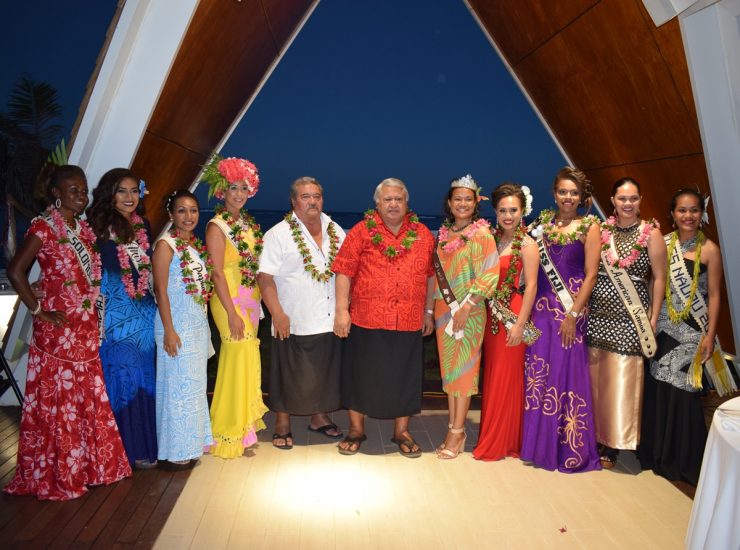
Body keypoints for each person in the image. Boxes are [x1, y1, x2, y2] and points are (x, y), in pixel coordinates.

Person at [5, 165, 131, 500]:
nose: (81, 195)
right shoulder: (44, 227)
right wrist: (38, 309)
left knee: (85, 397)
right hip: (58, 330)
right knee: (61, 402)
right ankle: (60, 472)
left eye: (84, 189)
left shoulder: (82, 228)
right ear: (56, 192)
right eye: (73, 189)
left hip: (85, 325)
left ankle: (91, 466)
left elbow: (75, 275)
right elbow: (16, 270)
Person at [332, 178, 435, 457]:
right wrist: (342, 311)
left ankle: (401, 432)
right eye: (387, 199)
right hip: (367, 318)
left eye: (398, 199)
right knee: (361, 376)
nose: (393, 204)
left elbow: (430, 276)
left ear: (406, 203)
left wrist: (428, 311)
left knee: (405, 378)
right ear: (377, 203)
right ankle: (356, 429)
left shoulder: (424, 233)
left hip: (409, 318)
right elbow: (343, 270)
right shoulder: (361, 231)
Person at [639, 189, 724, 485]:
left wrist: (710, 335)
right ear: (672, 214)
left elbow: (713, 295)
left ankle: (682, 460)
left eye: (693, 210)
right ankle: (655, 454)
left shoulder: (710, 249)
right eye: (682, 210)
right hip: (662, 326)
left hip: (691, 330)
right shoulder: (662, 243)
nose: (688, 216)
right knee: (658, 390)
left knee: (683, 394)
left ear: (702, 214)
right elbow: (652, 284)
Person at [521, 168, 601, 472]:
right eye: (563, 192)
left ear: (581, 197)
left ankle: (567, 450)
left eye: (574, 193)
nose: (568, 198)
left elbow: (592, 274)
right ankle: (537, 447)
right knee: (539, 376)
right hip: (541, 313)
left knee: (566, 376)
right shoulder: (541, 226)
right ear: (554, 193)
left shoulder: (589, 227)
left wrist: (574, 314)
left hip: (570, 311)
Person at [258, 177, 346, 450]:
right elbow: (264, 277)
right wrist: (277, 312)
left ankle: (319, 418)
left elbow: (346, 270)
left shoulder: (335, 229)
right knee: (287, 374)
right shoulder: (278, 234)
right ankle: (282, 423)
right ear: (294, 201)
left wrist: (344, 309)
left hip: (328, 316)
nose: (312, 201)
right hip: (292, 317)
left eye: (317, 196)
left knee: (323, 372)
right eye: (306, 196)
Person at [587, 177, 666, 469]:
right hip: (599, 316)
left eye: (633, 198)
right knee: (597, 379)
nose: (628, 204)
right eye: (622, 198)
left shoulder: (651, 233)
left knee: (621, 381)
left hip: (631, 318)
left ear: (641, 200)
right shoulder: (602, 230)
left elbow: (659, 278)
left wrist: (654, 316)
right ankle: (593, 435)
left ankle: (613, 443)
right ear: (613, 200)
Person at [86, 168, 158, 469]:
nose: (129, 198)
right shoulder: (96, 225)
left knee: (144, 376)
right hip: (115, 313)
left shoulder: (144, 226)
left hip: (143, 312)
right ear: (109, 193)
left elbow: (147, 269)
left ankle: (145, 443)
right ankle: (122, 450)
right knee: (121, 375)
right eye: (122, 191)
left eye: (133, 191)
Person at [203, 155, 268, 458]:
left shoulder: (247, 225)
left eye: (244, 188)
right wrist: (230, 312)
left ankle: (244, 429)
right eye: (233, 188)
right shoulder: (216, 227)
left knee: (246, 356)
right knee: (234, 354)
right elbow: (216, 272)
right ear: (222, 192)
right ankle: (226, 430)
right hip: (228, 299)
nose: (239, 194)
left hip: (250, 298)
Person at [432, 175, 499, 459]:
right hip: (443, 310)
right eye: (457, 199)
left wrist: (468, 306)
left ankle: (457, 433)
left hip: (469, 311)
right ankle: (452, 425)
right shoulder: (444, 234)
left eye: (467, 199)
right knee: (450, 372)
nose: (462, 203)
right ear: (449, 202)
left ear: (476, 203)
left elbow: (490, 272)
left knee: (465, 371)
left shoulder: (483, 235)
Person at [473, 183, 539, 461]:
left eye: (513, 210)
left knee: (507, 378)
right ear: (496, 213)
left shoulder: (527, 244)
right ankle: (496, 436)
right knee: (494, 376)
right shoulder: (492, 239)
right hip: (492, 318)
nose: (508, 215)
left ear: (522, 211)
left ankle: (503, 441)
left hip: (513, 313)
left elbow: (533, 286)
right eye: (503, 210)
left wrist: (520, 324)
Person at [153, 190, 215, 467]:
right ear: (171, 214)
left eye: (193, 210)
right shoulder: (166, 245)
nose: (188, 216)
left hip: (196, 325)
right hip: (175, 325)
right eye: (181, 210)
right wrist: (168, 329)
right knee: (177, 388)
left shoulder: (194, 246)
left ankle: (192, 444)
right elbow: (160, 290)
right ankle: (175, 451)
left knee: (193, 388)